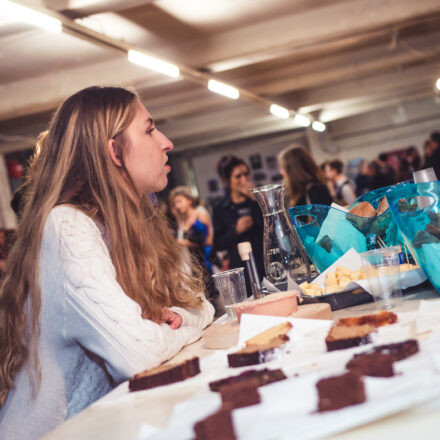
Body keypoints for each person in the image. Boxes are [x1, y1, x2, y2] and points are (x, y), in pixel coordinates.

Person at [0, 86, 214, 439]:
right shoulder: (68, 226)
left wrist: (175, 320)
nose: (166, 142)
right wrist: (172, 325)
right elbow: (139, 354)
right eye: (149, 130)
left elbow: (200, 305)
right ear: (114, 151)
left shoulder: (126, 224)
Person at [213, 155, 265, 282]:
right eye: (238, 176)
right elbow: (218, 243)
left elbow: (270, 226)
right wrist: (236, 231)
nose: (244, 179)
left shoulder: (258, 199)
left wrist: (255, 199)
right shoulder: (220, 208)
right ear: (227, 180)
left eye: (246, 174)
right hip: (240, 269)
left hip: (263, 261)